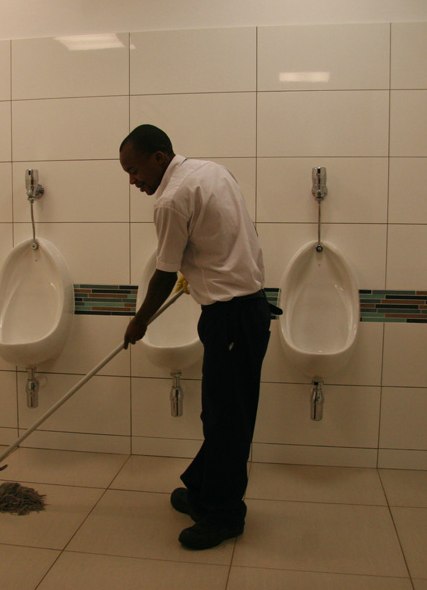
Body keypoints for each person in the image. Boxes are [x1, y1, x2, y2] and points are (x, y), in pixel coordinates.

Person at [119, 124, 278, 550]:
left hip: (230, 317)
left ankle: (225, 516)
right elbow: (222, 238)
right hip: (245, 310)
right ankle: (205, 491)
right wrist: (203, 272)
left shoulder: (171, 200)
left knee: (228, 420)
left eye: (134, 170)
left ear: (158, 157)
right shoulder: (212, 171)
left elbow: (164, 272)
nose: (133, 180)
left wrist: (140, 322)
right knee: (221, 414)